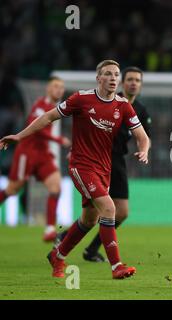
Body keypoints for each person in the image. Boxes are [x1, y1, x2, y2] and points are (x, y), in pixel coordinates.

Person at [0, 60, 150, 279]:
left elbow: (142, 137)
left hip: (104, 168)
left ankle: (57, 255)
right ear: (98, 78)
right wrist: (20, 136)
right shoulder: (81, 99)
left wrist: (144, 150)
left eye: (116, 75)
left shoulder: (123, 106)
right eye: (107, 74)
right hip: (81, 165)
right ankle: (116, 265)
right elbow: (48, 116)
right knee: (109, 209)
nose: (112, 78)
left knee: (89, 219)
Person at [56, 66, 152, 262]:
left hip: (117, 162)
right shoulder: (108, 99)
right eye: (130, 79)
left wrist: (144, 150)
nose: (133, 83)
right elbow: (89, 129)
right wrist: (77, 150)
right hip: (94, 160)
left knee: (119, 212)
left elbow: (144, 136)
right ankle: (110, 262)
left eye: (137, 80)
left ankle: (81, 247)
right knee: (103, 211)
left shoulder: (139, 110)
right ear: (122, 83)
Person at [0, 77, 71, 241]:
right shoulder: (40, 105)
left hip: (43, 155)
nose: (59, 90)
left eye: (61, 87)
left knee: (56, 187)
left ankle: (49, 229)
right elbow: (37, 129)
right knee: (12, 190)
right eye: (55, 86)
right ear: (48, 89)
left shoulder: (55, 107)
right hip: (27, 153)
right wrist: (58, 140)